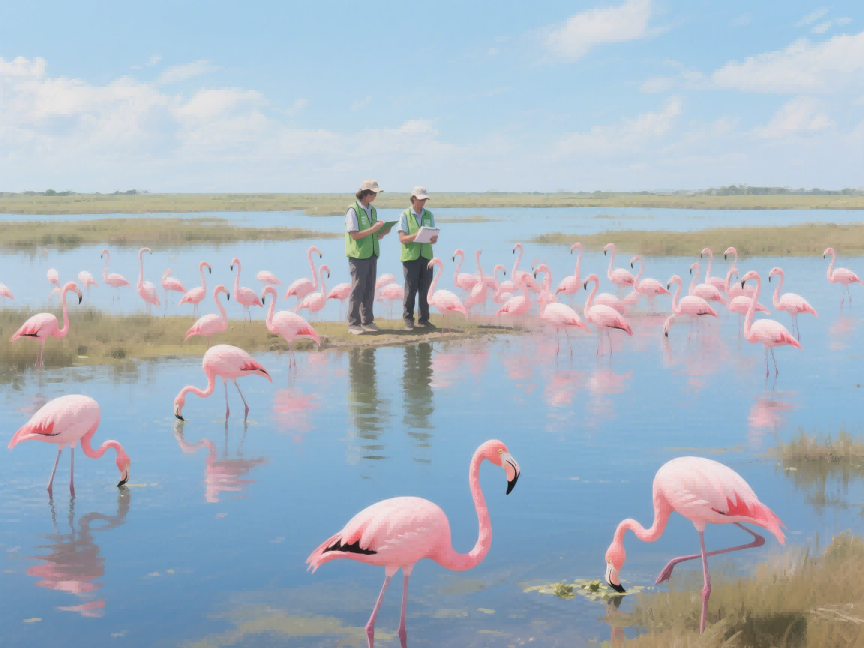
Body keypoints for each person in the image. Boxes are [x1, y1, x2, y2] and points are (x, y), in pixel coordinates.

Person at [345, 180, 393, 334]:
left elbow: (374, 236)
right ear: (365, 193)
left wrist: (383, 232)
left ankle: (367, 321)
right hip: (358, 256)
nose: (375, 196)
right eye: (373, 193)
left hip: (372, 254)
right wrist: (374, 229)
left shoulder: (372, 210)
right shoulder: (353, 210)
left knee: (370, 289)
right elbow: (355, 235)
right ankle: (353, 323)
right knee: (357, 289)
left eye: (376, 193)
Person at [398, 186, 439, 330]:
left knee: (425, 289)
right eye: (420, 200)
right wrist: (416, 236)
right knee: (411, 289)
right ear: (413, 199)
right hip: (410, 258)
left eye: (424, 200)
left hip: (427, 257)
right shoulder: (405, 215)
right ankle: (408, 319)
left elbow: (433, 236)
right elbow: (402, 238)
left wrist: (434, 239)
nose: (423, 203)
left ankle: (424, 320)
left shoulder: (429, 215)